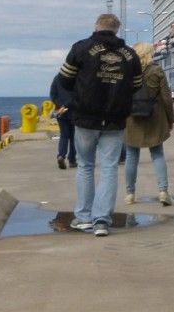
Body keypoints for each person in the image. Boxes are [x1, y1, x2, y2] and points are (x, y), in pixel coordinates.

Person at [57, 13, 142, 237]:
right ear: (117, 30)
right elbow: (136, 85)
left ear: (96, 28)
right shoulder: (130, 55)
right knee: (109, 169)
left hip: (85, 117)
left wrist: (80, 92)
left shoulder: (80, 48)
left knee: (85, 166)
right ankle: (102, 221)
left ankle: (84, 218)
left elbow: (64, 79)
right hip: (115, 119)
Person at [124, 42, 174, 206]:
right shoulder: (156, 70)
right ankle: (163, 191)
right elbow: (166, 98)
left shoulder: (127, 72)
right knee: (158, 154)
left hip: (132, 118)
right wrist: (170, 119)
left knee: (131, 156)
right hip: (155, 117)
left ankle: (130, 194)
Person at [49, 74, 77, 168]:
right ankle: (72, 160)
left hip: (61, 111)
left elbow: (53, 94)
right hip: (74, 111)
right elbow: (77, 95)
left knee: (64, 135)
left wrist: (61, 106)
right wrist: (67, 105)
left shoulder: (57, 78)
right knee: (74, 137)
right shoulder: (75, 78)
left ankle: (61, 155)